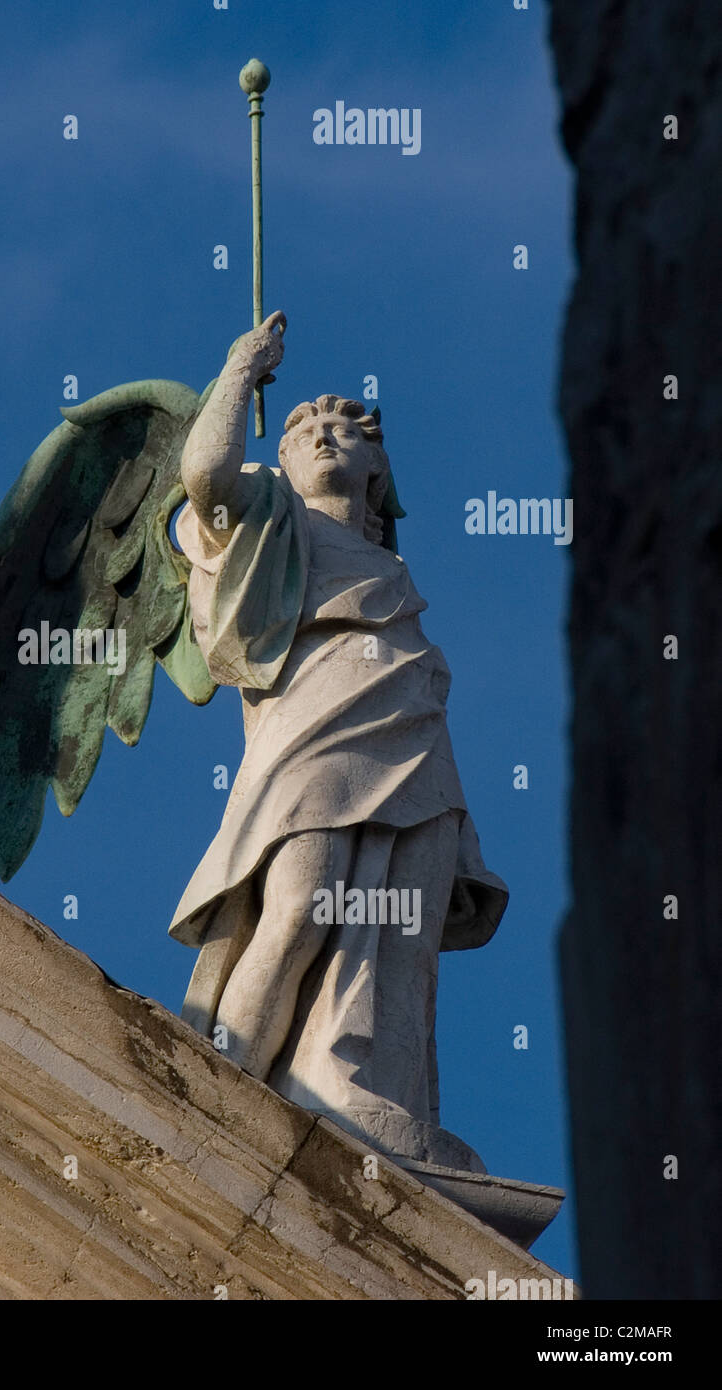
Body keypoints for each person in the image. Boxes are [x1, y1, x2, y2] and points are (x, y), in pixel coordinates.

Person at [171, 310, 507, 1170]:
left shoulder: (390, 565)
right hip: (311, 734)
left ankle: (368, 1095)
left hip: (414, 745)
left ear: (378, 470)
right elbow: (202, 471)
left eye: (342, 430)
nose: (322, 436)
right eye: (304, 430)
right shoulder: (269, 519)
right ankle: (218, 1091)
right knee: (298, 910)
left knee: (403, 938)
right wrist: (242, 366)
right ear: (279, 460)